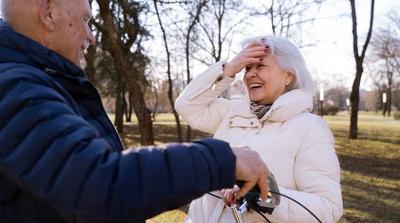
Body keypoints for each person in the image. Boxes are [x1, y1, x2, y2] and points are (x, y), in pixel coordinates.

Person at [0, 0, 271, 222]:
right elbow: (98, 185)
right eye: (85, 20)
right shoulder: (17, 86)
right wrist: (221, 159)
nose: (91, 37)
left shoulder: (35, 81)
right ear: (48, 13)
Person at [175, 36, 343, 222]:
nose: (249, 74)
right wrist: (229, 69)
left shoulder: (310, 128)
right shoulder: (232, 112)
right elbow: (186, 106)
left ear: (288, 75)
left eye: (260, 66)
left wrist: (263, 194)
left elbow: (328, 209)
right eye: (247, 67)